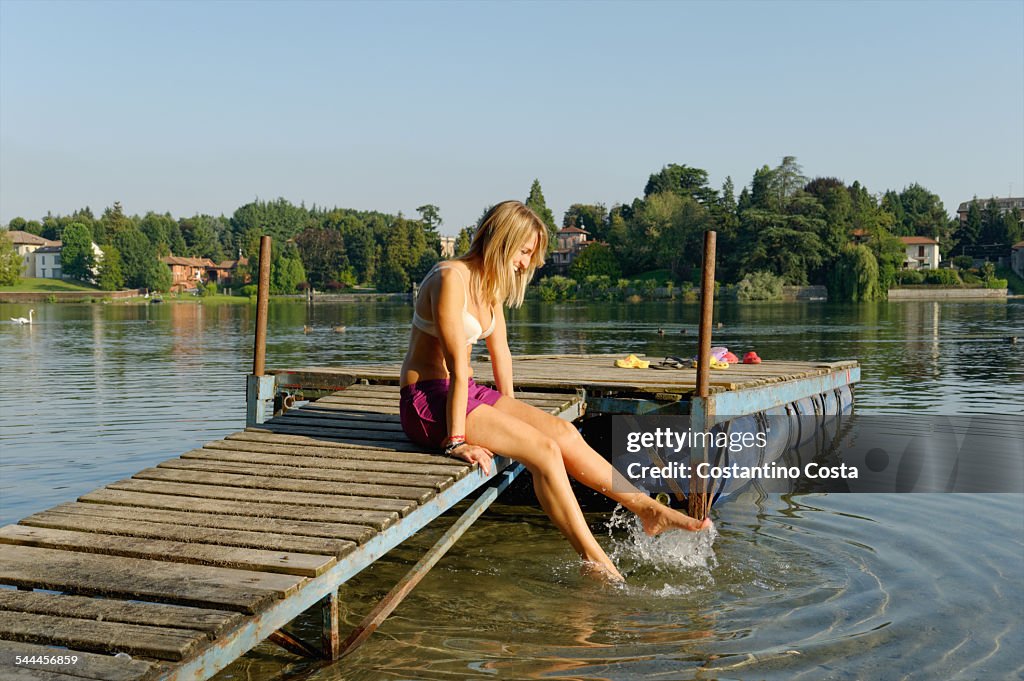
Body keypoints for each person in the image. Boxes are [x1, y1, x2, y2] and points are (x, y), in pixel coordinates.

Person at [399, 200, 711, 582]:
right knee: (543, 452)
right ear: (501, 240)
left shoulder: (489, 287)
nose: (530, 263)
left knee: (562, 432)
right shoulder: (450, 278)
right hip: (428, 401)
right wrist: (455, 442)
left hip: (466, 393)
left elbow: (503, 356)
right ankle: (595, 560)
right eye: (526, 251)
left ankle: (647, 509)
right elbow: (459, 370)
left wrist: (509, 414)